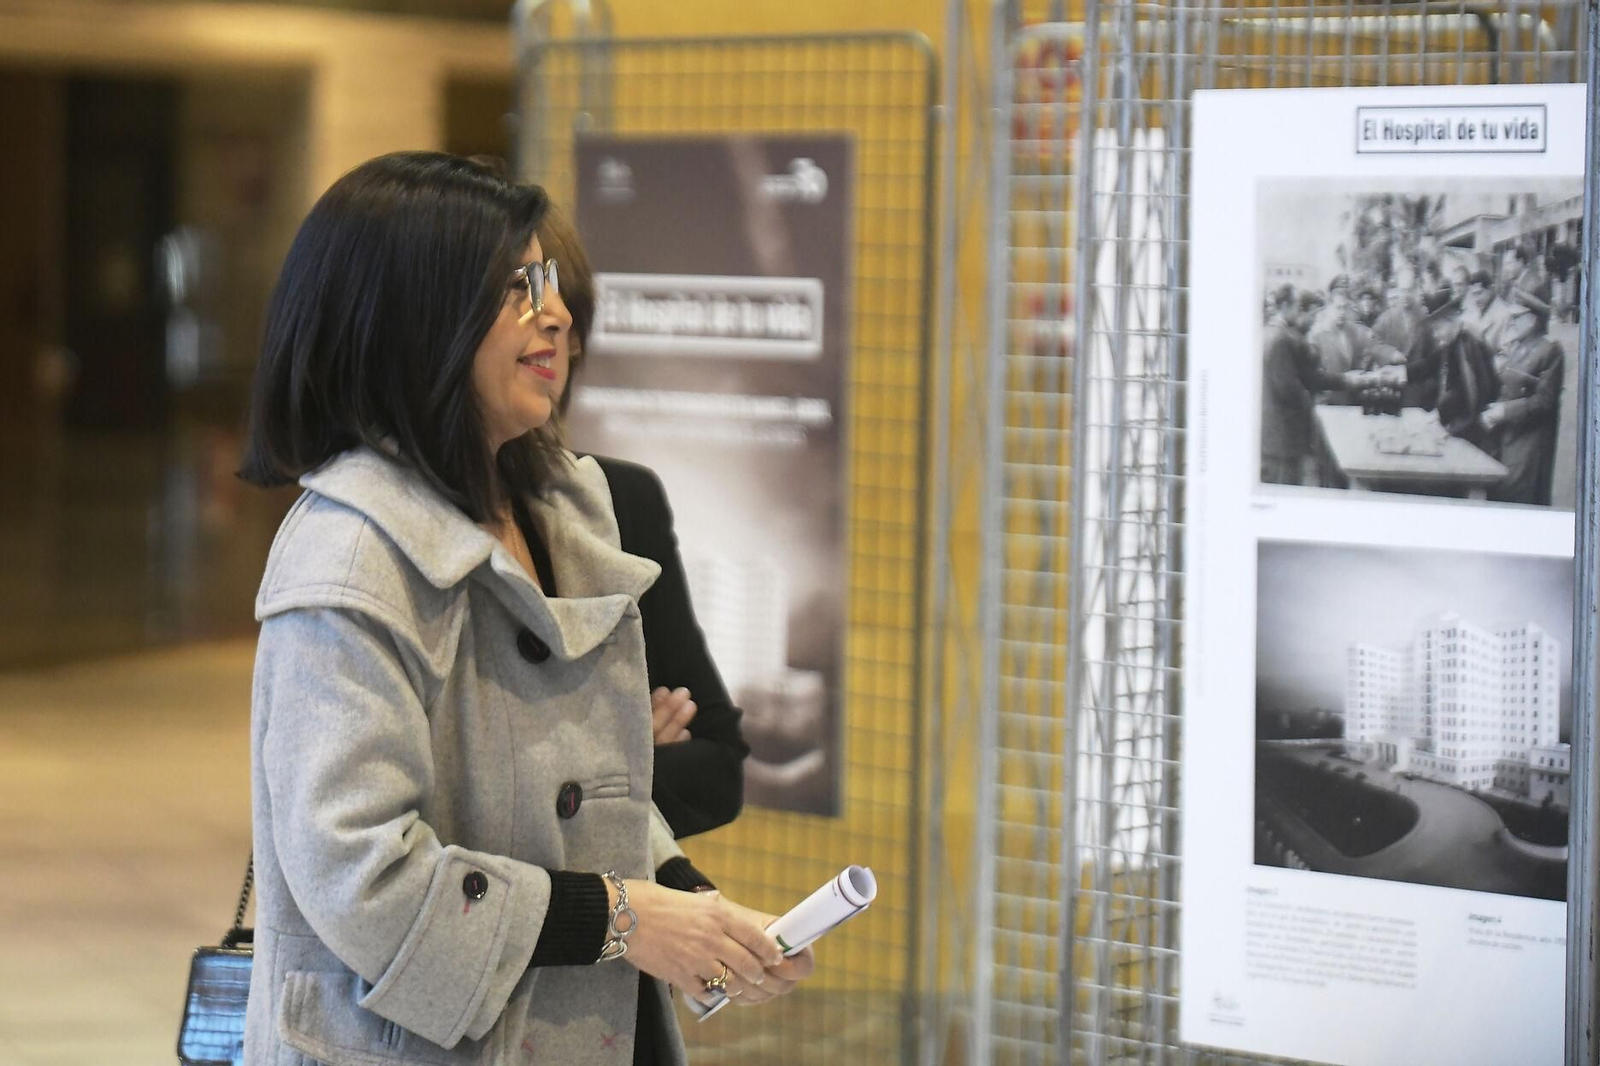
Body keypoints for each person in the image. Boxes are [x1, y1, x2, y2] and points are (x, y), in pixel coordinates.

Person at [237, 152, 812, 1066]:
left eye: (549, 282)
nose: (556, 313)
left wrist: (693, 910)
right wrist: (628, 920)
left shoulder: (557, 512)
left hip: (590, 1025)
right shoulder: (350, 556)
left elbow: (584, 796)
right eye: (515, 288)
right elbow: (363, 875)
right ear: (414, 320)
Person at [536, 202, 749, 838]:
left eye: (565, 321)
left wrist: (578, 783)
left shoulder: (620, 500)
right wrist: (623, 756)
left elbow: (718, 768)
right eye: (514, 304)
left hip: (607, 923)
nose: (550, 331)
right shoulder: (393, 527)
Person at [1481, 290, 1565, 505]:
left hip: (1529, 444)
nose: (1512, 322)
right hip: (1507, 436)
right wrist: (1494, 412)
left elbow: (1545, 401)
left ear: (1532, 320)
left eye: (1517, 318)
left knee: (1518, 497)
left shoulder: (1550, 351)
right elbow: (1507, 388)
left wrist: (1505, 411)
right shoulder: (1516, 348)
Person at [1261, 284, 1351, 485]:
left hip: (1277, 435)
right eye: (1295, 306)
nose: (1298, 310)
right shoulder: (1280, 339)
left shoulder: (1272, 333)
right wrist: (1311, 403)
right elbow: (1288, 388)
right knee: (1284, 488)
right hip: (1282, 437)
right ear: (1285, 306)